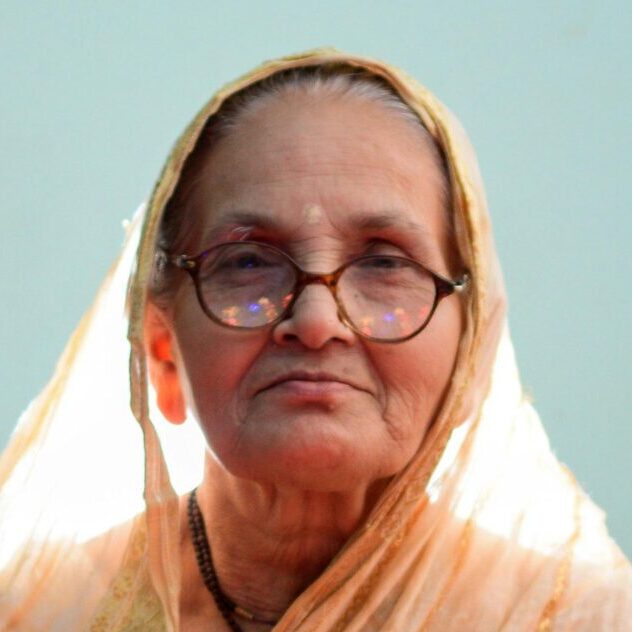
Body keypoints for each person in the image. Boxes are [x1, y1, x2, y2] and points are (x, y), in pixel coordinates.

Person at [0, 49, 630, 631]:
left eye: (386, 264)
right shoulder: (39, 614)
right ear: (162, 353)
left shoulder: (577, 618)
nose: (317, 321)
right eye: (247, 263)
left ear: (471, 354)